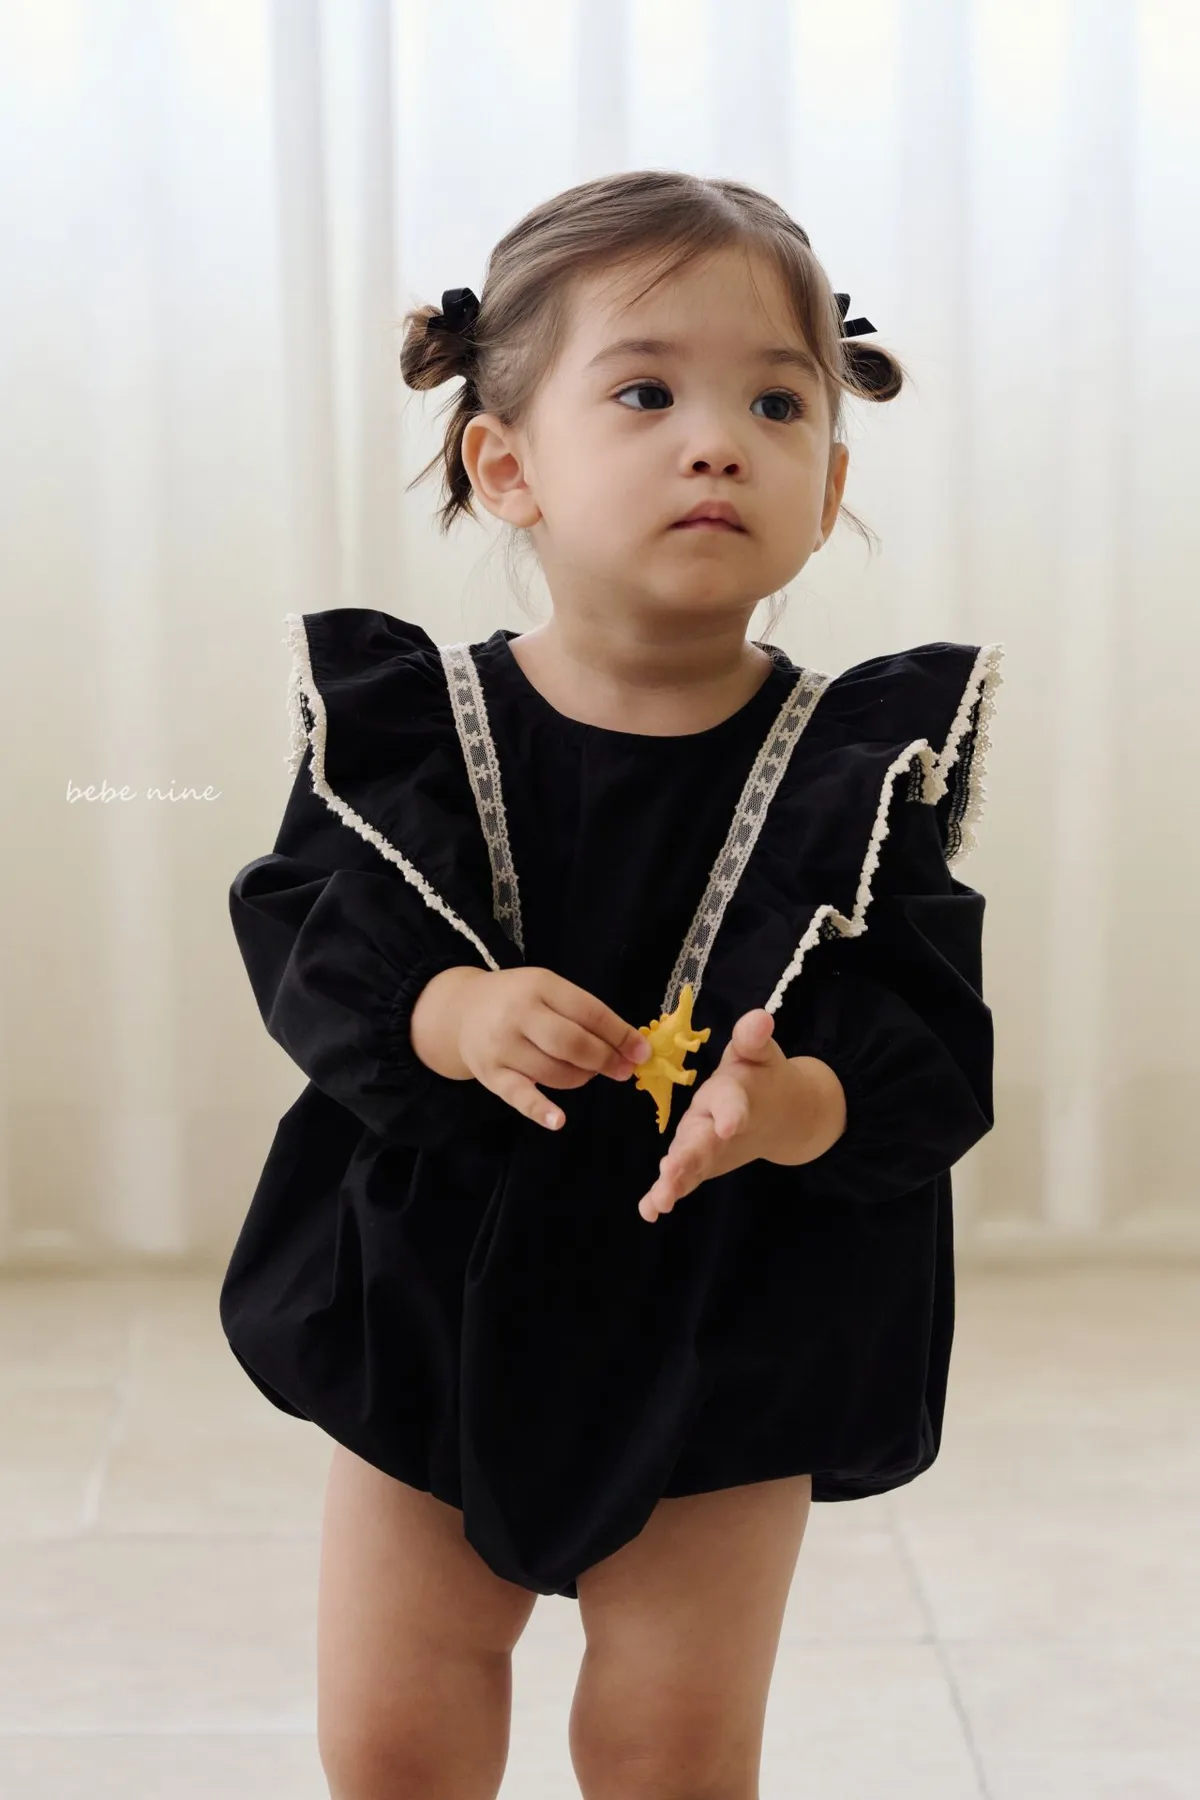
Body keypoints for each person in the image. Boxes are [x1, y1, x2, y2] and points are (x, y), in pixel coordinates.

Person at [219, 169, 1004, 1800]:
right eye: (646, 394)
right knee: (396, 1736)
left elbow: (930, 1043)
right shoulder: (407, 736)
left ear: (829, 480)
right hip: (434, 1284)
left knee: (672, 1747)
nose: (717, 442)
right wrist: (449, 1012)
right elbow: (308, 936)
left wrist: (792, 1105)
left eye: (775, 404)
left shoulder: (862, 771)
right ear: (506, 464)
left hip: (736, 1306)